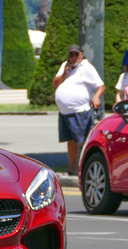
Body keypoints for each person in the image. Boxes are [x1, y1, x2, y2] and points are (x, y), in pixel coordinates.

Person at [53, 44, 106, 176]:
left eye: (76, 54)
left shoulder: (87, 67)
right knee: (71, 141)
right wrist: (65, 74)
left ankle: (86, 169)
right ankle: (72, 169)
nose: (74, 57)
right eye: (71, 55)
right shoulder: (66, 66)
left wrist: (96, 97)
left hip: (80, 111)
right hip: (65, 112)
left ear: (81, 55)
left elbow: (101, 86)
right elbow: (55, 83)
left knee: (83, 141)